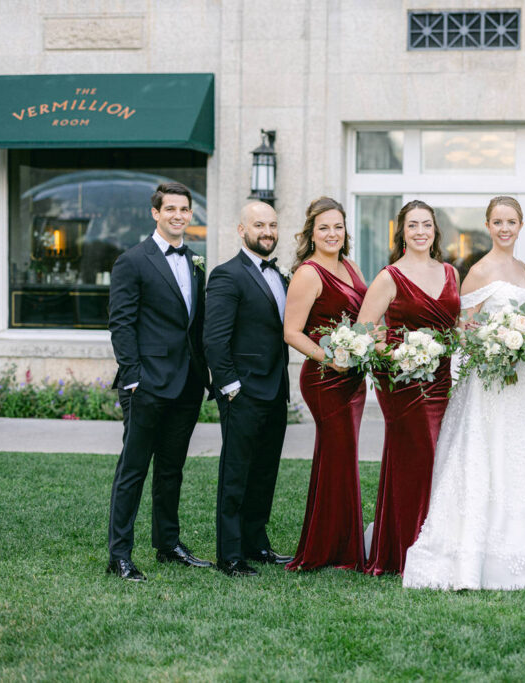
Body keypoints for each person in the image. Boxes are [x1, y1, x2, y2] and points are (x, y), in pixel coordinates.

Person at [402, 196, 525, 590]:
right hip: (493, 383)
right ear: (489, 226)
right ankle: (478, 553)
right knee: (490, 459)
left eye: (511, 221)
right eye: (497, 222)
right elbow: (464, 331)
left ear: (521, 224)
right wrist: (495, 348)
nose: (505, 228)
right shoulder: (477, 271)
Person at [106, 181, 213, 582]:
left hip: (186, 384)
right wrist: (132, 378)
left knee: (172, 469)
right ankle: (119, 555)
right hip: (146, 385)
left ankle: (168, 545)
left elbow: (195, 325)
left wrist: (204, 376)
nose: (178, 216)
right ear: (155, 213)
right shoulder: (132, 261)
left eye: (184, 209)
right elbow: (121, 323)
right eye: (170, 209)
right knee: (132, 470)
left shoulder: (194, 261)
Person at [356, 200, 460, 575]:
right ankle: (406, 549)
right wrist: (402, 355)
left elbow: (454, 325)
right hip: (402, 383)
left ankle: (437, 543)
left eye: (426, 225)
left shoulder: (451, 272)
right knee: (417, 458)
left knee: (441, 459)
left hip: (443, 378)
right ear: (401, 231)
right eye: (412, 225)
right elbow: (363, 333)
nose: (420, 231)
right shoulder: (389, 277)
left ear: (435, 231)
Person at [203, 201, 294, 577]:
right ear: (242, 230)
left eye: (272, 225)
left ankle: (257, 543)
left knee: (264, 472)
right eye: (259, 225)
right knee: (236, 473)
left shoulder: (283, 276)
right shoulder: (227, 275)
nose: (268, 232)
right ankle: (231, 554)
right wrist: (231, 387)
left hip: (276, 390)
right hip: (242, 392)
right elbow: (214, 339)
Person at [284, 197, 370, 572]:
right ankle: (332, 551)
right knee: (338, 459)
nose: (332, 233)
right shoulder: (309, 273)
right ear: (311, 234)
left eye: (338, 227)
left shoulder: (350, 267)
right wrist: (328, 358)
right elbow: (291, 332)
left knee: (340, 460)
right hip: (324, 379)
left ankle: (338, 544)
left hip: (354, 380)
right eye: (324, 228)